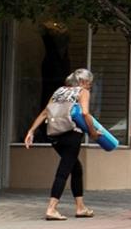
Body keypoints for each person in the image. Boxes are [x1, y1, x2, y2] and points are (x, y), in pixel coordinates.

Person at [23, 68, 100, 220]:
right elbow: (85, 113)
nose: (90, 86)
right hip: (72, 135)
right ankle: (52, 208)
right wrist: (93, 132)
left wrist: (31, 131)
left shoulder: (59, 91)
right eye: (89, 83)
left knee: (76, 168)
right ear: (83, 82)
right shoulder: (82, 92)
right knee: (64, 171)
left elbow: (46, 112)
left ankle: (80, 207)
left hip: (55, 135)